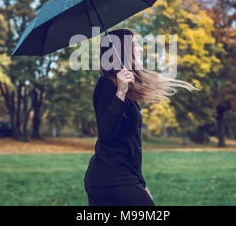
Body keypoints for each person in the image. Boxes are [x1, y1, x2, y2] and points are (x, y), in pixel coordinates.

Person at [84, 28, 199, 206]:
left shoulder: (122, 84)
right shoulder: (107, 85)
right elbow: (106, 133)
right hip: (110, 179)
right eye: (136, 44)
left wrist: (141, 183)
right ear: (123, 50)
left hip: (123, 176)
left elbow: (131, 145)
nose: (140, 49)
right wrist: (120, 92)